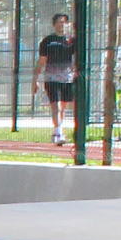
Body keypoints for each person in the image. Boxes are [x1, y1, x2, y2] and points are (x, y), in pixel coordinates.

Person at [37, 14, 79, 148]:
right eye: (59, 22)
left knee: (64, 106)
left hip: (66, 78)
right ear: (54, 24)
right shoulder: (48, 41)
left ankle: (58, 129)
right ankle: (58, 132)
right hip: (51, 77)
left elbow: (75, 59)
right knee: (56, 105)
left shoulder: (71, 41)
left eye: (64, 22)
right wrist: (35, 79)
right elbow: (41, 61)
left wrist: (75, 72)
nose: (62, 24)